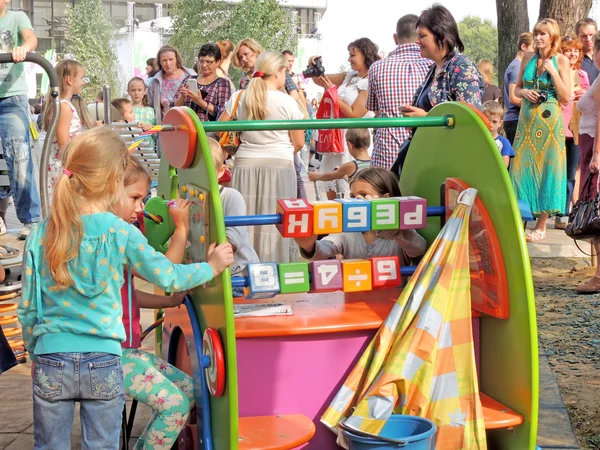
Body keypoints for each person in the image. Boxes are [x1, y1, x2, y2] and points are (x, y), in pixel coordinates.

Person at [17, 127, 234, 449]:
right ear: (110, 182)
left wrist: (36, 352)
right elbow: (168, 277)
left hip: (52, 358)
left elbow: (28, 307)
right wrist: (211, 266)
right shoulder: (120, 232)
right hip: (104, 359)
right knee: (102, 444)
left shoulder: (41, 233)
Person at [116, 156, 196, 450]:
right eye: (134, 197)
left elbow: (128, 295)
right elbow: (167, 272)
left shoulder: (121, 232)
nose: (140, 207)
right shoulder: (119, 235)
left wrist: (170, 300)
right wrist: (181, 230)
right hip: (110, 356)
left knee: (189, 389)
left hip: (126, 351)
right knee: (175, 406)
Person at [219, 51, 304, 263]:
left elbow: (221, 128)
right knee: (277, 222)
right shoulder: (287, 102)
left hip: (246, 164)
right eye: (285, 71)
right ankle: (275, 270)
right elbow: (299, 142)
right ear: (277, 72)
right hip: (279, 166)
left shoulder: (240, 97)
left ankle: (244, 270)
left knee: (244, 222)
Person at [511, 18, 570, 242]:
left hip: (550, 124)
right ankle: (520, 219)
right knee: (519, 169)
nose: (538, 38)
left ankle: (542, 225)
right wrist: (524, 93)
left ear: (552, 36)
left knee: (547, 169)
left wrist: (553, 73)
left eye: (543, 34)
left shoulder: (562, 61)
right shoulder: (527, 57)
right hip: (526, 123)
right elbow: (515, 90)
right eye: (536, 33)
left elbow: (565, 98)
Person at [295, 167, 427, 264]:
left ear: (386, 198)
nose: (357, 199)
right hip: (353, 299)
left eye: (363, 195)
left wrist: (386, 225)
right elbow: (326, 248)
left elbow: (418, 248)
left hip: (392, 300)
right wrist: (309, 246)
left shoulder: (399, 233)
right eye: (352, 196)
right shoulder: (348, 231)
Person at [310, 38, 379, 198]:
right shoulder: (349, 76)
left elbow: (355, 113)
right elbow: (320, 79)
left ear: (365, 54)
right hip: (335, 137)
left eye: (352, 55)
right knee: (332, 189)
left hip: (355, 138)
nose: (349, 59)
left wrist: (333, 93)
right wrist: (313, 64)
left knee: (352, 189)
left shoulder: (370, 80)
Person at [0, 2, 42, 239]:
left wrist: (23, 48)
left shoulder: (16, 17)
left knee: (19, 158)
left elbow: (31, 38)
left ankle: (30, 219)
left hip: (10, 97)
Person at [366, 14, 430, 170]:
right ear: (419, 37)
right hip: (423, 150)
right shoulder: (432, 64)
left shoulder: (377, 67)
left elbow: (374, 109)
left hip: (386, 153)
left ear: (395, 38)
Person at [401, 4, 484, 119]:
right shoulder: (433, 69)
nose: (417, 41)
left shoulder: (462, 67)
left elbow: (471, 120)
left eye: (422, 36)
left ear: (443, 36)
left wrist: (425, 118)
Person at [207, 138, 260, 297]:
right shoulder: (189, 200)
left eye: (207, 171)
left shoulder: (230, 197)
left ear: (220, 171)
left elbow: (233, 240)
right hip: (212, 273)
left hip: (240, 275)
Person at [555, 35, 590, 230]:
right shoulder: (558, 73)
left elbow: (590, 97)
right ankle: (557, 211)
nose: (573, 53)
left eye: (576, 50)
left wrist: (584, 94)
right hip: (558, 127)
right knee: (558, 171)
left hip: (576, 128)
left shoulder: (583, 75)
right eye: (569, 50)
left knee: (571, 173)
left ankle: (566, 213)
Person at [576, 31, 600, 293]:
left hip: (594, 150)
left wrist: (596, 155)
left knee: (596, 214)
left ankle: (599, 277)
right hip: (590, 148)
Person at [41, 59, 86, 202]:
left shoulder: (64, 105)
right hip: (63, 166)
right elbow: (63, 143)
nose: (83, 82)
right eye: (81, 78)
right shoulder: (64, 107)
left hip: (63, 165)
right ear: (70, 80)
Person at [175, 43, 232, 122]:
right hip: (186, 128)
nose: (204, 65)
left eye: (209, 62)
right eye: (201, 61)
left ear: (218, 62)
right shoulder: (188, 79)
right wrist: (182, 97)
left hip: (208, 131)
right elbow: (174, 107)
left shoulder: (222, 84)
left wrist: (201, 102)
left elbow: (223, 112)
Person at [147, 45, 196, 122]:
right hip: (166, 126)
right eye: (164, 60)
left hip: (190, 123)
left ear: (177, 59)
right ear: (159, 62)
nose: (168, 63)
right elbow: (149, 106)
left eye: (171, 59)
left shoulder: (191, 76)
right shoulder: (155, 82)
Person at [503, 32, 534, 144]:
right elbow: (513, 97)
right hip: (515, 120)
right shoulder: (517, 67)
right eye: (533, 48)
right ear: (524, 46)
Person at [482, 100, 514, 168]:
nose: (490, 125)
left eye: (494, 122)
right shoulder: (477, 140)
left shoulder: (503, 143)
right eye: (487, 121)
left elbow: (504, 166)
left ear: (500, 123)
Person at [577, 18, 600, 84]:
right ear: (577, 36)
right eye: (584, 36)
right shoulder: (574, 58)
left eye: (591, 35)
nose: (588, 39)